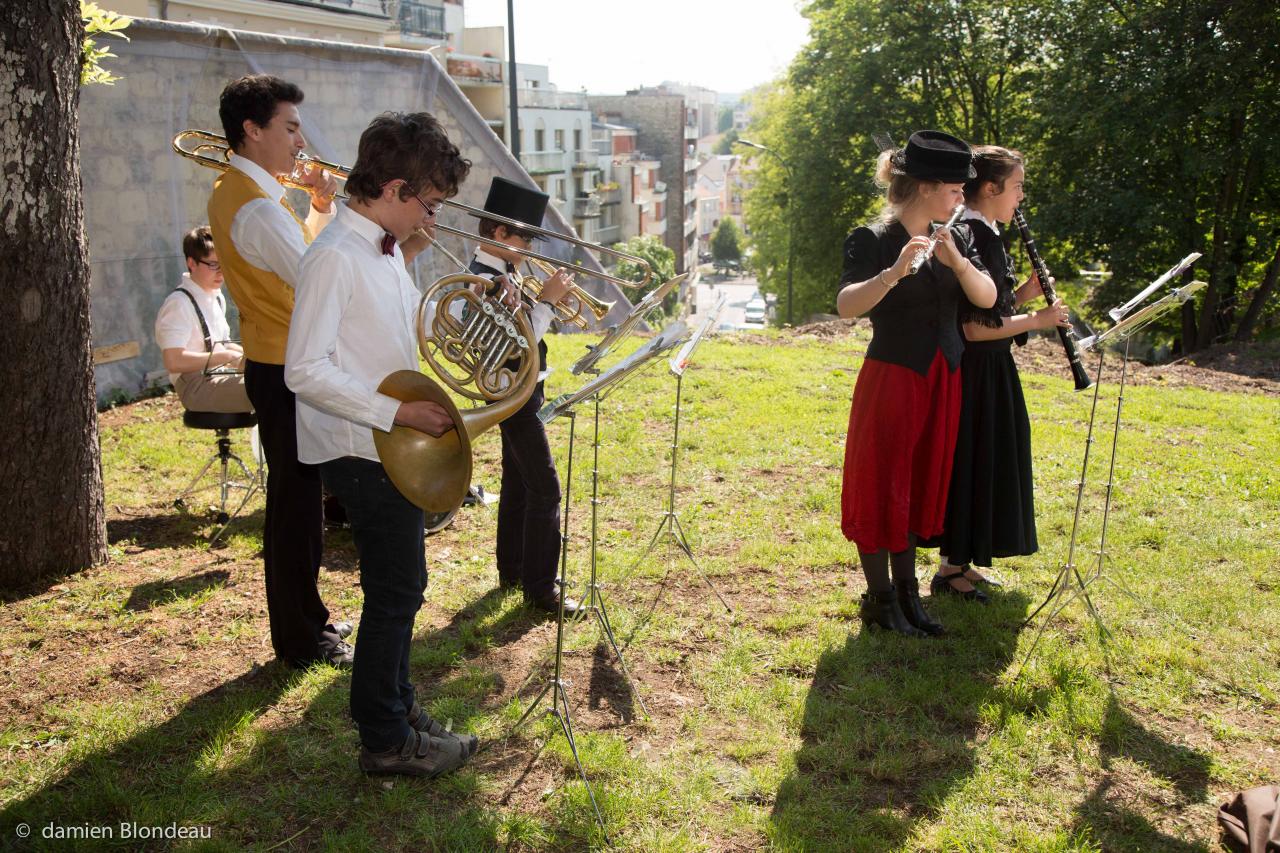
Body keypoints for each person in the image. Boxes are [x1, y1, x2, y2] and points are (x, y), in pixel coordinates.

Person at [285, 111, 478, 777]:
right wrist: (395, 413)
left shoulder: (386, 251)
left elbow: (390, 340)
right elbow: (303, 369)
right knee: (396, 591)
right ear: (395, 190)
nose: (432, 217)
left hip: (383, 441)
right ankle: (385, 737)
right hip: (359, 446)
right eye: (427, 203)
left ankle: (398, 707)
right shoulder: (335, 256)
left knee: (404, 585)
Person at [206, 75, 351, 668]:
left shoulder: (250, 195)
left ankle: (307, 619)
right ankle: (300, 638)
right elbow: (319, 277)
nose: (301, 141)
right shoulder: (257, 207)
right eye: (290, 127)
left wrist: (319, 207)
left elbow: (303, 261)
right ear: (252, 129)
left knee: (301, 500)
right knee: (294, 507)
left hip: (278, 360)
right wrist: (345, 219)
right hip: (282, 364)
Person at [835, 130, 998, 638]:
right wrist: (894, 273)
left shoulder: (957, 237)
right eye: (955, 189)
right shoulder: (873, 238)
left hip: (942, 376)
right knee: (883, 481)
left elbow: (988, 299)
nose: (961, 199)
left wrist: (959, 262)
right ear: (927, 187)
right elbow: (845, 307)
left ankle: (909, 597)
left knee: (921, 481)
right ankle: (880, 600)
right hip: (894, 376)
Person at [929, 147, 1071, 603]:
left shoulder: (987, 231)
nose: (1021, 197)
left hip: (992, 368)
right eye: (1017, 187)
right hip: (974, 372)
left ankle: (962, 563)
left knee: (986, 460)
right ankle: (950, 569)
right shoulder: (970, 233)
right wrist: (1037, 321)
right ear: (990, 189)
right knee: (971, 461)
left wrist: (1025, 294)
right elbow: (973, 329)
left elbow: (992, 309)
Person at [467, 177, 579, 617]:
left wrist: (538, 301)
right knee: (546, 487)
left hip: (527, 389)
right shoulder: (478, 280)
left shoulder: (508, 273)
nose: (530, 247)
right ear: (499, 234)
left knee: (518, 484)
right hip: (511, 393)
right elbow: (513, 345)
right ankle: (541, 589)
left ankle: (513, 572)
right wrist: (547, 304)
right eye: (525, 237)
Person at [154, 226, 250, 413]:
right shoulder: (178, 304)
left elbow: (224, 344)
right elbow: (173, 361)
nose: (221, 272)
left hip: (218, 376)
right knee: (270, 391)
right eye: (214, 265)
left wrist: (254, 359)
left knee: (276, 380)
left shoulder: (215, 297)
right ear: (192, 263)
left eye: (224, 264)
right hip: (195, 386)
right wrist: (226, 357)